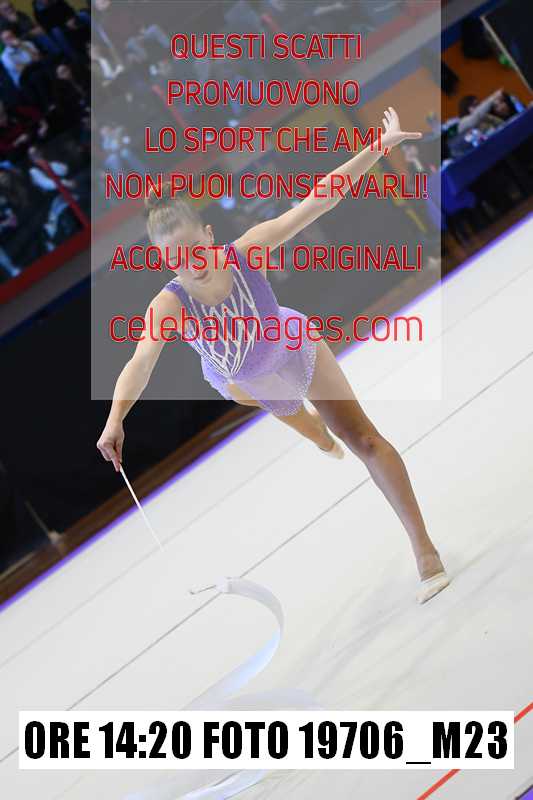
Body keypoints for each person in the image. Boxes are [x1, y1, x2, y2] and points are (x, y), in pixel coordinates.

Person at [97, 107, 450, 605]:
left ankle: (424, 548)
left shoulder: (247, 250)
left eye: (196, 248)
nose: (193, 264)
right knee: (300, 419)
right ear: (164, 261)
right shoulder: (170, 304)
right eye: (178, 259)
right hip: (242, 378)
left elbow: (317, 200)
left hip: (290, 344)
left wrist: (379, 146)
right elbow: (140, 364)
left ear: (210, 236)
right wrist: (115, 420)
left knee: (363, 438)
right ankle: (313, 431)